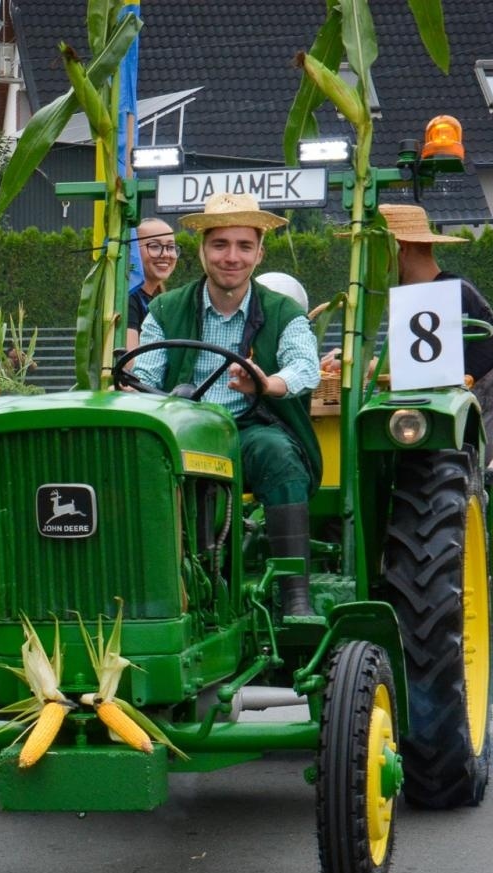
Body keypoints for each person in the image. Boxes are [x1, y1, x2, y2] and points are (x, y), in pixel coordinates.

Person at [132, 192, 321, 618]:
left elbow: (305, 367)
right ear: (202, 250)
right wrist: (140, 390)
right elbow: (144, 374)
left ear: (259, 253)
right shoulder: (165, 309)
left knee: (279, 455)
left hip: (247, 427)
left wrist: (266, 383)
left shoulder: (283, 311)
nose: (231, 257)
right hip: (182, 428)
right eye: (220, 245)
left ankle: (295, 596)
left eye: (243, 246)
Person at [377, 203, 493, 460]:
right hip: (422, 428)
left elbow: (430, 373)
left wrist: (367, 370)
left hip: (455, 441)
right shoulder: (424, 300)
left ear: (401, 249)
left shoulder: (447, 296)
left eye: (377, 254)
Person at [125, 217, 179, 350]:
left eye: (171, 247)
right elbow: (129, 365)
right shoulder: (127, 298)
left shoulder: (162, 299)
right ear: (133, 251)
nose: (166, 254)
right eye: (154, 246)